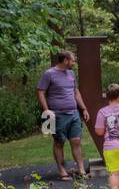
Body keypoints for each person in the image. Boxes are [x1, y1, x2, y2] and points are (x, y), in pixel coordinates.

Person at [36, 49, 91, 180]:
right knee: (59, 142)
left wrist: (83, 108)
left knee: (76, 141)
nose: (74, 63)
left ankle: (82, 170)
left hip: (74, 113)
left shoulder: (71, 73)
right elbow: (40, 92)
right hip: (57, 115)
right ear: (65, 61)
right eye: (72, 60)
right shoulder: (49, 74)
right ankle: (62, 172)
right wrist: (46, 110)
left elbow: (76, 92)